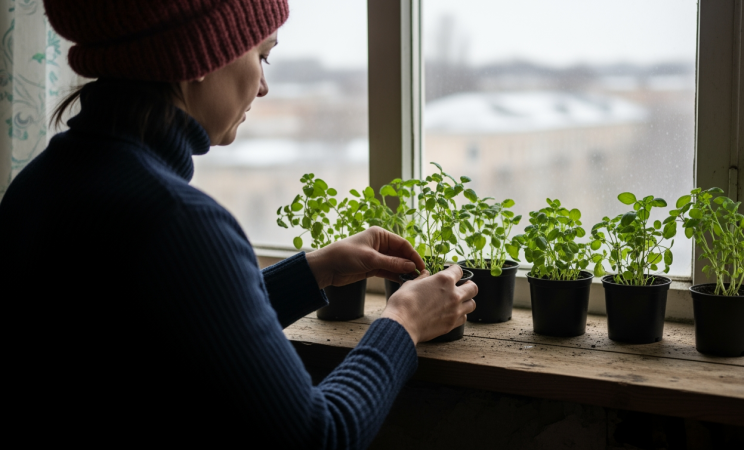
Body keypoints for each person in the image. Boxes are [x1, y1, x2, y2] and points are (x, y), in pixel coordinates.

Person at [0, 0, 477, 447]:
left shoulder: (41, 183)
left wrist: (312, 272)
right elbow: (320, 435)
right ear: (203, 53)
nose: (264, 86)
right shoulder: (177, 220)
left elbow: (163, 331)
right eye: (262, 55)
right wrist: (403, 322)